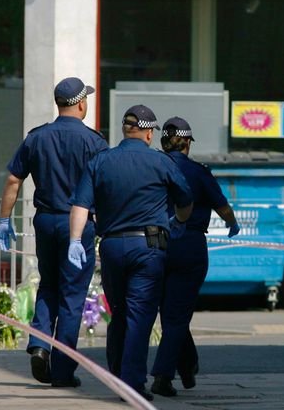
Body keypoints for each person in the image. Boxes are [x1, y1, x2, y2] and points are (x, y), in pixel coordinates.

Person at [67, 105, 193, 401]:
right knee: (140, 314)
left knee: (119, 314)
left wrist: (75, 240)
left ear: (126, 130)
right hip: (148, 248)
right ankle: (132, 383)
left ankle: (116, 377)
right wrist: (180, 223)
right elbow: (185, 199)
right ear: (149, 133)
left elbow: (81, 206)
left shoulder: (101, 161)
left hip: (111, 246)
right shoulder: (161, 163)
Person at [0, 77, 108, 387]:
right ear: (81, 104)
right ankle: (62, 370)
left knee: (48, 285)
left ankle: (40, 345)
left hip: (45, 221)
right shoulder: (94, 142)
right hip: (79, 224)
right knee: (72, 294)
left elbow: (13, 181)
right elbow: (108, 187)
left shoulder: (37, 138)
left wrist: (4, 220)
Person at [150, 116, 240, 397]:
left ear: (164, 142)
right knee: (177, 315)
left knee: (170, 313)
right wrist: (232, 223)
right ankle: (164, 376)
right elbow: (223, 207)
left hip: (153, 242)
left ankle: (187, 364)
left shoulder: (151, 167)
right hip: (189, 245)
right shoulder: (199, 172)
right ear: (187, 142)